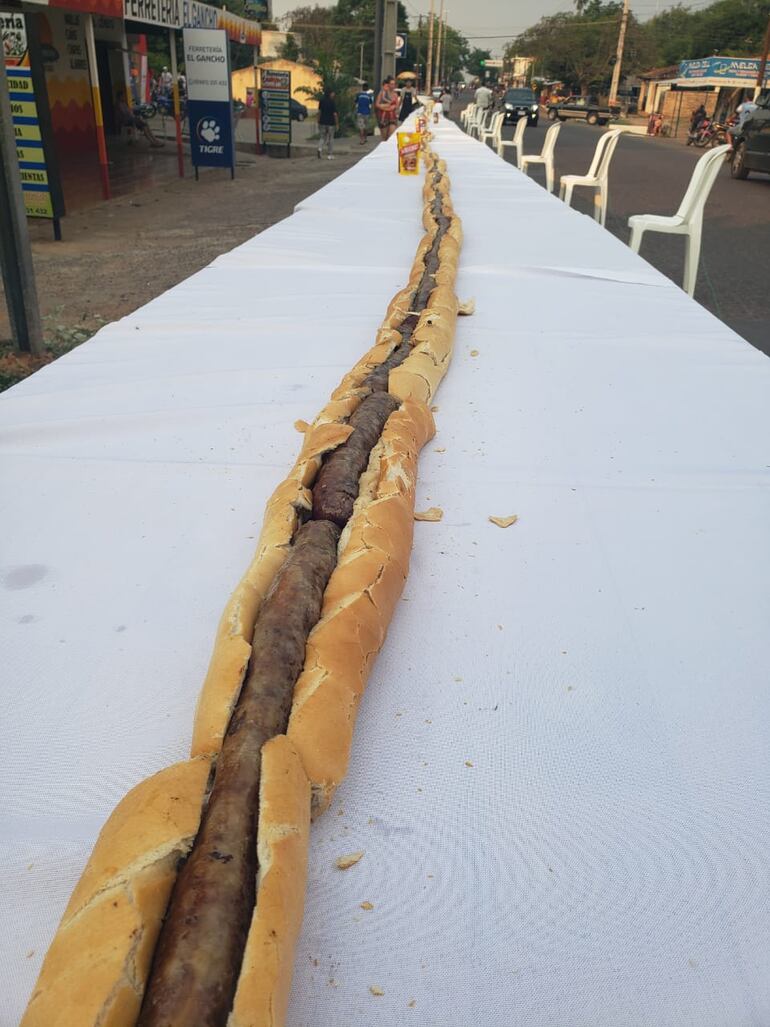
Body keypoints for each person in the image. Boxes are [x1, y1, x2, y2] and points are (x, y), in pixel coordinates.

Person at [375, 76, 399, 140]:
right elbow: (377, 104)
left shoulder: (395, 94)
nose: (393, 86)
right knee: (385, 138)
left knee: (391, 137)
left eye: (394, 84)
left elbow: (397, 106)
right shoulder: (382, 93)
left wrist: (395, 110)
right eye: (391, 84)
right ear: (388, 84)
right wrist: (386, 107)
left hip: (392, 117)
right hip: (383, 116)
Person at [317, 87, 338, 160]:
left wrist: (318, 120)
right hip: (330, 123)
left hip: (322, 122)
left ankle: (319, 149)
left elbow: (319, 112)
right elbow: (335, 114)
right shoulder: (332, 102)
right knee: (331, 138)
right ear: (330, 94)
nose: (334, 94)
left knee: (322, 137)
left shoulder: (321, 101)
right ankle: (330, 154)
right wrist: (337, 123)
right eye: (333, 93)